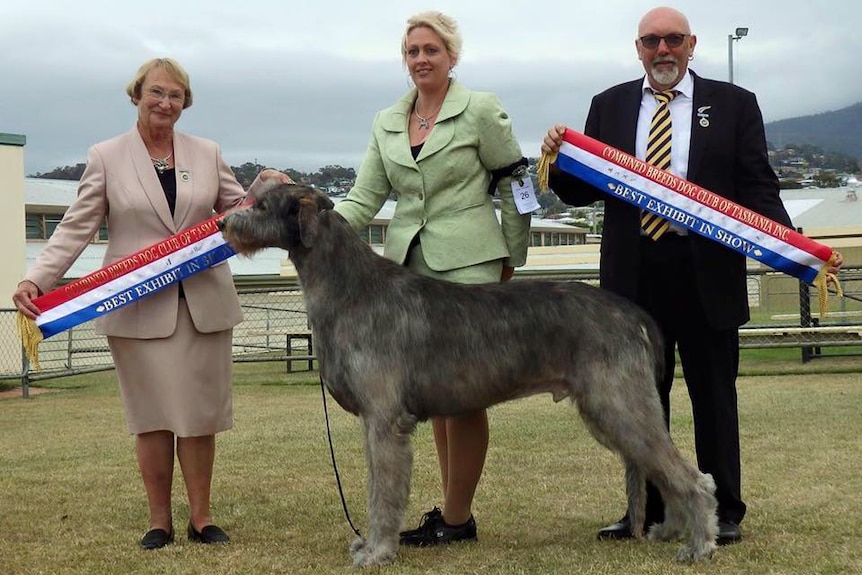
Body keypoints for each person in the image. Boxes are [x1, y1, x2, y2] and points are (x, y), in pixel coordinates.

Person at [542, 6, 842, 546]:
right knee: (636, 402)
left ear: (692, 43)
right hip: (632, 279)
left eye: (673, 39)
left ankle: (724, 508)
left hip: (707, 273)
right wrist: (559, 162)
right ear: (638, 49)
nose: (663, 50)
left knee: (714, 398)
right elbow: (582, 192)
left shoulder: (734, 104)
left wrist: (800, 249)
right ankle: (648, 511)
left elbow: (757, 186)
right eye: (652, 41)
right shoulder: (607, 105)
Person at [12, 58, 291, 550]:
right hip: (136, 307)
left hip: (204, 303)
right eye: (156, 93)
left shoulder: (207, 153)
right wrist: (37, 278)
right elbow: (76, 227)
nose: (166, 103)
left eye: (176, 96)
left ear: (186, 103)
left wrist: (269, 191)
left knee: (200, 416)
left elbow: (237, 215)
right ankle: (158, 521)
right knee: (153, 417)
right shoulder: (106, 156)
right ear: (136, 95)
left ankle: (202, 519)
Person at [333, 11, 531, 546]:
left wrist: (512, 253)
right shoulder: (387, 121)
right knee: (432, 396)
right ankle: (450, 513)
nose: (421, 59)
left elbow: (516, 180)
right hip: (406, 273)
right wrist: (313, 223)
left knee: (465, 394)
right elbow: (364, 198)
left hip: (469, 265)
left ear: (452, 56)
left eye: (431, 50)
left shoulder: (480, 110)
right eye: (413, 51)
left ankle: (458, 516)